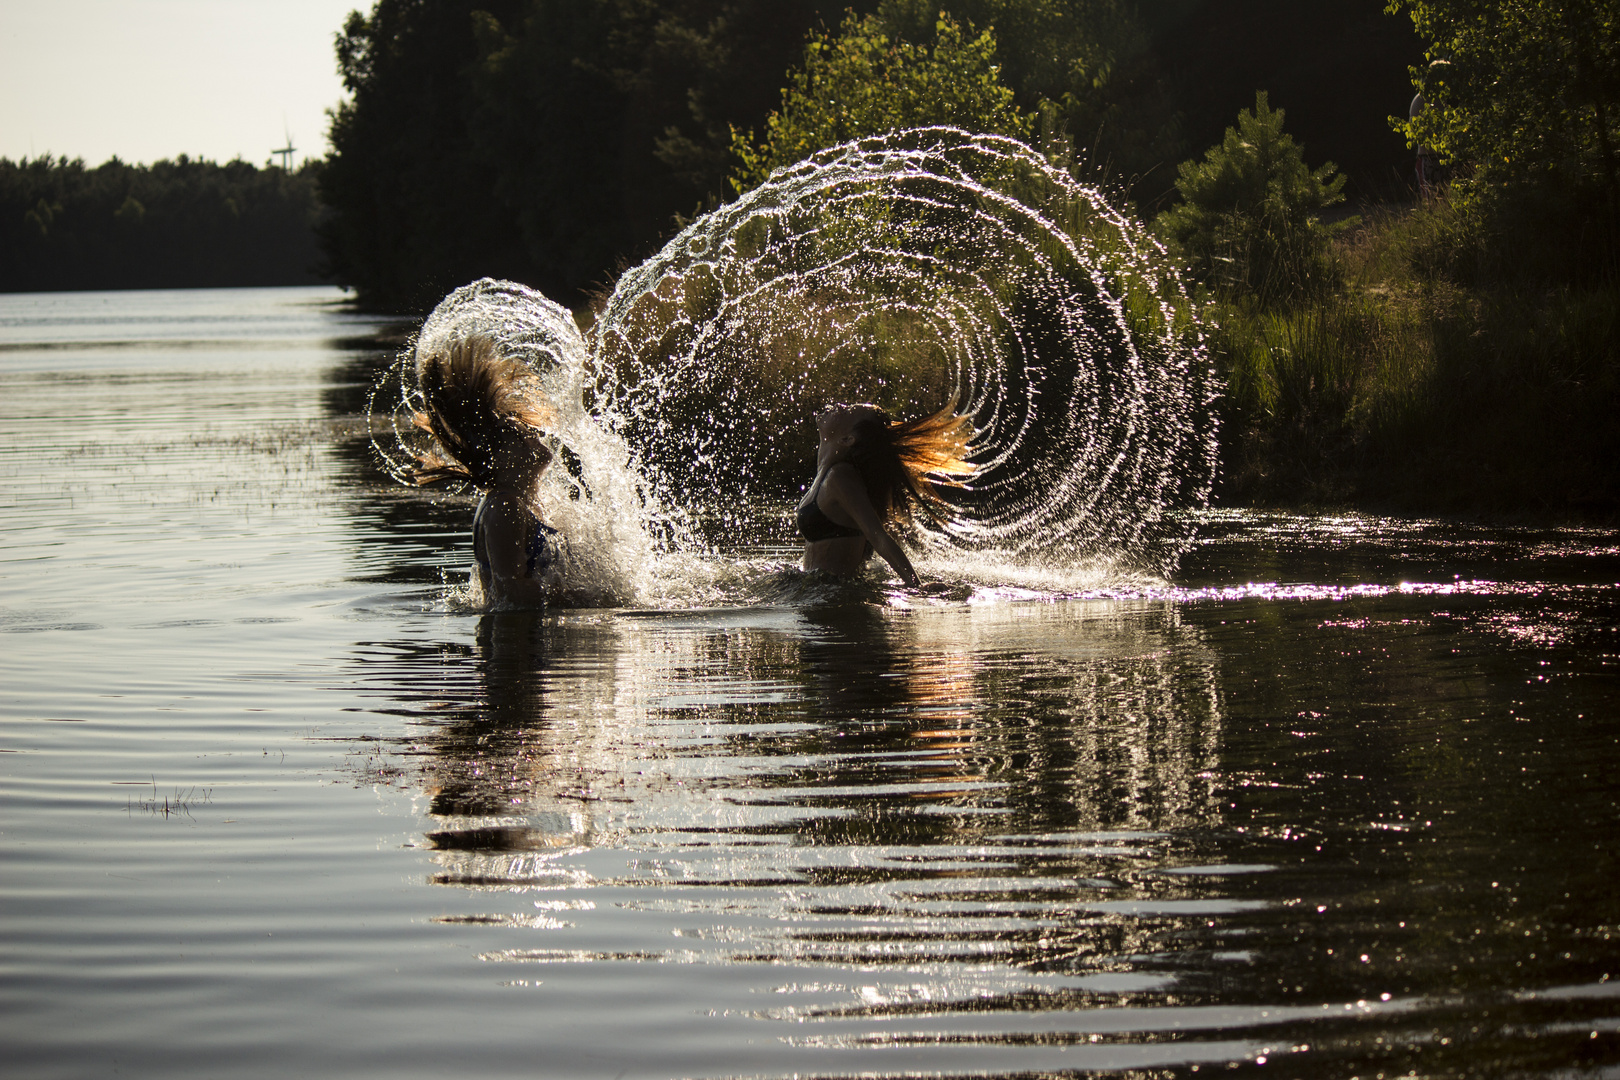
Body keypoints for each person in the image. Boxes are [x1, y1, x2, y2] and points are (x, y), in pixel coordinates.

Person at [412, 333, 563, 607]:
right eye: (521, 437)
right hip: (517, 646)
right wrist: (587, 596)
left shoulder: (521, 501)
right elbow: (510, 593)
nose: (534, 437)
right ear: (501, 459)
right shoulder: (505, 506)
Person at [796, 400, 977, 586]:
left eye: (848, 411)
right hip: (824, 596)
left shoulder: (839, 477)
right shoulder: (828, 475)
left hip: (838, 600)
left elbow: (877, 535)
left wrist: (916, 585)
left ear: (847, 439)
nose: (840, 406)